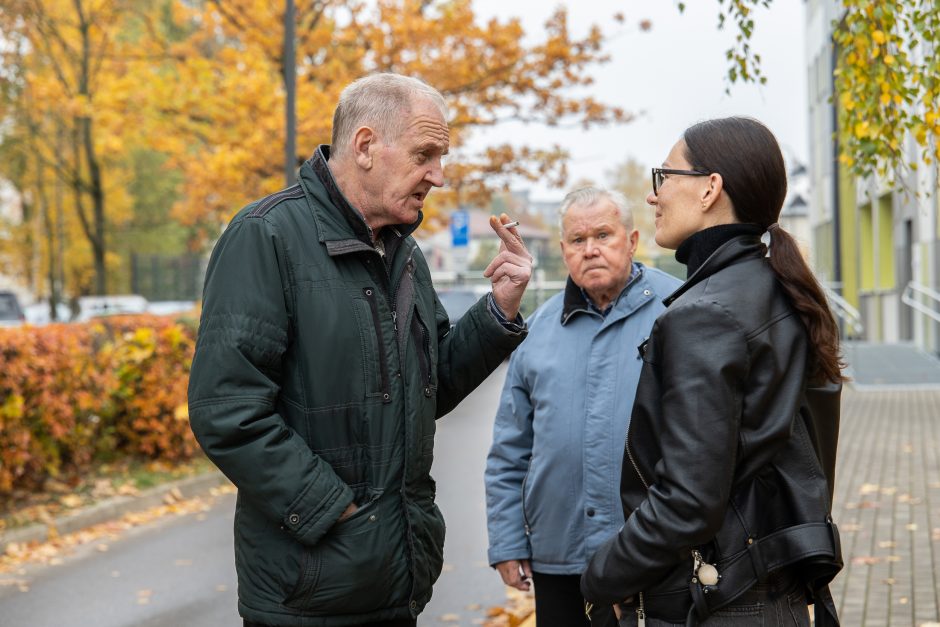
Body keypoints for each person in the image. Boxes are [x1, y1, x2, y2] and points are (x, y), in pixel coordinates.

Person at [187, 73, 533, 627]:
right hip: (306, 596)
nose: (438, 177)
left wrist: (499, 312)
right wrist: (338, 513)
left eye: (441, 158)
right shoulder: (265, 236)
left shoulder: (402, 252)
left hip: (394, 583)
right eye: (425, 154)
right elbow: (226, 411)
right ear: (366, 145)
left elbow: (427, 386)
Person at [580, 117, 845, 626]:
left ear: (709, 189)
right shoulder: (779, 289)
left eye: (665, 176)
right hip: (772, 592)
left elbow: (689, 500)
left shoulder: (704, 315)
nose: (653, 196)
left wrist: (602, 576)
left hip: (719, 601)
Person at [484, 187, 681, 627]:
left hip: (653, 552)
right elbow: (509, 451)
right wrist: (508, 541)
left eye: (604, 235)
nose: (590, 250)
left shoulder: (679, 311)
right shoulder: (534, 333)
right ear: (562, 250)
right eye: (577, 240)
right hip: (559, 555)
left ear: (631, 241)